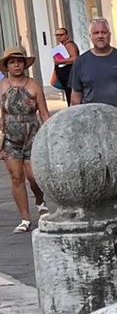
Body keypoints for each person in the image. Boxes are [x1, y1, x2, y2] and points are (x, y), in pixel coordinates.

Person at [1, 47, 47, 233]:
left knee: (33, 177)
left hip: (32, 134)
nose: (16, 64)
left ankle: (40, 201)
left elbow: (43, 112)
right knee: (16, 176)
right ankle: (25, 218)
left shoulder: (34, 85)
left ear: (24, 64)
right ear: (7, 66)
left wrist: (50, 133)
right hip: (10, 137)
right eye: (12, 62)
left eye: (19, 61)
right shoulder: (2, 86)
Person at [68, 19, 117, 125]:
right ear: (90, 36)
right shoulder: (80, 62)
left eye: (103, 32)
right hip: (93, 121)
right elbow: (76, 96)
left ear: (109, 35)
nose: (100, 36)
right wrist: (75, 120)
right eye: (96, 33)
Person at [48, 27, 79, 100]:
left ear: (67, 35)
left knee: (70, 95)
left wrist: (60, 61)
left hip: (68, 73)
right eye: (57, 35)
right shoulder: (63, 46)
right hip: (64, 73)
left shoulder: (69, 44)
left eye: (61, 35)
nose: (59, 37)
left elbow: (75, 58)